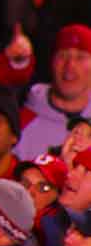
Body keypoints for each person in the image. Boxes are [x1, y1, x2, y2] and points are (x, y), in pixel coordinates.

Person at [15, 23, 91, 159]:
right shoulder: (20, 124)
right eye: (62, 56)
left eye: (80, 57)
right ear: (51, 63)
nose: (70, 65)